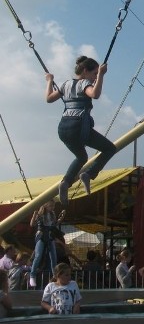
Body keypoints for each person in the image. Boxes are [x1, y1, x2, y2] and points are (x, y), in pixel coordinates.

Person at [45, 56, 117, 205]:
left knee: (81, 157)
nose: (94, 78)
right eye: (94, 74)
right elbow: (95, 95)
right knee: (110, 148)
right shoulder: (84, 83)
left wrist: (49, 81)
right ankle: (89, 174)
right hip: (79, 127)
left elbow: (49, 98)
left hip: (63, 129)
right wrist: (102, 76)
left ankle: (65, 183)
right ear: (85, 71)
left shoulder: (65, 84)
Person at [29, 200, 63, 288]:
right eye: (51, 206)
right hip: (41, 235)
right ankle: (32, 276)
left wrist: (60, 219)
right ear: (46, 205)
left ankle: (55, 277)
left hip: (50, 236)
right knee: (38, 255)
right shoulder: (40, 215)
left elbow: (54, 224)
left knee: (53, 258)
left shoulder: (52, 214)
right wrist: (34, 215)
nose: (52, 208)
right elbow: (32, 224)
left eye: (53, 206)